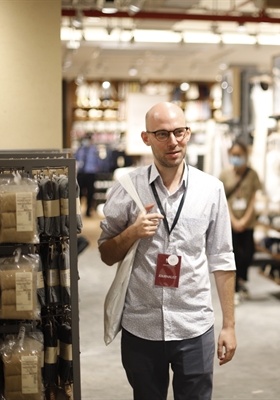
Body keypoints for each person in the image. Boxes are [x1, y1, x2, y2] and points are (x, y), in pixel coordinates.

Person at [98, 102, 237, 400]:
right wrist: (133, 232)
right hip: (141, 326)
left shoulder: (211, 189)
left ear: (188, 133)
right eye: (162, 134)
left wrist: (229, 326)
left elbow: (222, 258)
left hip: (194, 325)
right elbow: (106, 254)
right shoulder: (127, 188)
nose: (173, 141)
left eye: (179, 132)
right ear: (146, 138)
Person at [219, 141, 262, 305]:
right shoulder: (224, 174)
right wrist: (233, 220)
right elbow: (223, 199)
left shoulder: (252, 174)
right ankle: (235, 288)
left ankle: (242, 279)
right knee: (233, 256)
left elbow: (253, 197)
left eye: (239, 155)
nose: (236, 158)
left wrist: (244, 220)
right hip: (230, 222)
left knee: (249, 253)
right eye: (234, 155)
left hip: (248, 222)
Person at [75, 133, 100, 217]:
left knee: (90, 193)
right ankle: (77, 211)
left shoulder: (94, 149)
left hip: (90, 173)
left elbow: (98, 161)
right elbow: (76, 159)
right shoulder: (80, 149)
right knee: (79, 192)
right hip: (81, 173)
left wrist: (97, 169)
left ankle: (88, 211)